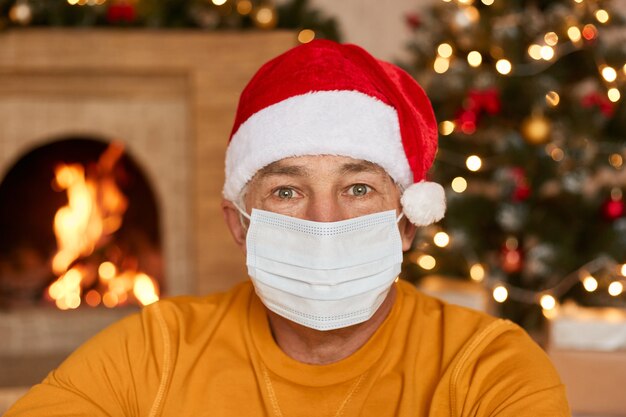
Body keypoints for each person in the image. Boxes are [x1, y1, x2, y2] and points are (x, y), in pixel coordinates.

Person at [6, 39, 570, 417]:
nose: (324, 221)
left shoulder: (485, 367)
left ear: (407, 224)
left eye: (357, 189)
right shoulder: (159, 349)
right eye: (286, 191)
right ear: (239, 222)